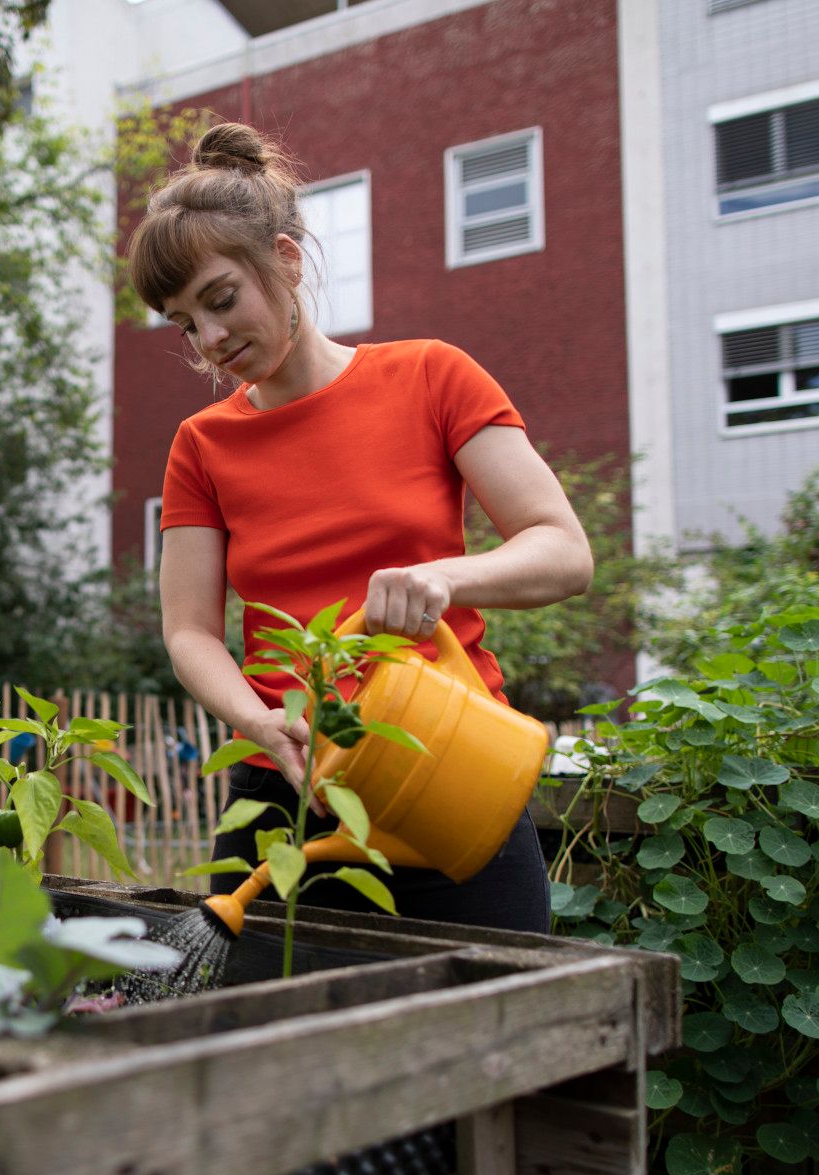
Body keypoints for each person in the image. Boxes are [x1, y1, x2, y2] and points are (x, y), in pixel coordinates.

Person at [131, 122, 594, 935]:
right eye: (182, 322)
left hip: (450, 761)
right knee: (267, 1049)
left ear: (285, 259)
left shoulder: (431, 376)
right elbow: (189, 632)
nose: (209, 341)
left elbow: (563, 552)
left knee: (493, 1037)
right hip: (289, 778)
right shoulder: (201, 445)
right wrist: (255, 722)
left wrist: (447, 577)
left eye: (220, 299)